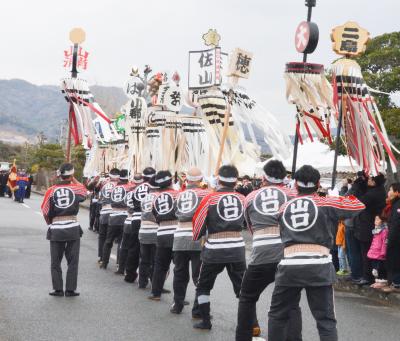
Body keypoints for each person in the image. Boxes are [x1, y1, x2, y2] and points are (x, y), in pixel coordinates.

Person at [268, 165, 365, 341]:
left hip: (289, 265)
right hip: (319, 265)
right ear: (319, 184)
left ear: (295, 185)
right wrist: (356, 185)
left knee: (277, 315)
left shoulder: (283, 207)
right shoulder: (327, 202)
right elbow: (358, 205)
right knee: (325, 321)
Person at [235, 160, 302, 341]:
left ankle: (243, 337)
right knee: (292, 303)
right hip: (288, 253)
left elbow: (250, 227)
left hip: (262, 252)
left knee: (247, 297)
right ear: (284, 177)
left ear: (264, 177)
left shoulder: (250, 197)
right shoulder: (292, 195)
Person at [192, 165, 246, 330]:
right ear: (236, 181)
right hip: (237, 247)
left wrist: (197, 236)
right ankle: (251, 324)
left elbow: (198, 223)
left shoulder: (210, 198)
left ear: (219, 179)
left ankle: (206, 321)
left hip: (214, 248)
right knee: (242, 289)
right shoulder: (243, 199)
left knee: (203, 287)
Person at [40, 163, 86, 297]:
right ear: (71, 176)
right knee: (73, 261)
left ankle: (58, 289)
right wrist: (74, 179)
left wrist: (51, 223)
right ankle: (71, 290)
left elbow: (45, 211)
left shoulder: (51, 190)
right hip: (72, 226)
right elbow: (84, 191)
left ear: (59, 175)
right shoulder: (76, 189)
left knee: (56, 261)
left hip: (56, 228)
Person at [170, 167, 211, 316]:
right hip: (198, 237)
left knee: (179, 274)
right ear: (201, 180)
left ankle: (177, 305)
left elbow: (175, 212)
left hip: (180, 236)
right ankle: (198, 309)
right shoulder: (206, 194)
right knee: (198, 276)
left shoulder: (179, 194)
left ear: (187, 180)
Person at [148, 170, 178, 301]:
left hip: (162, 232)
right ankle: (178, 298)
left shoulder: (155, 197)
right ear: (170, 181)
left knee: (160, 265)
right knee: (179, 267)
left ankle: (156, 293)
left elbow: (154, 215)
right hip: (177, 230)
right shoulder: (178, 194)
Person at [353, 172, 387, 285]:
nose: (368, 180)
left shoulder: (374, 193)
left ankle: (367, 277)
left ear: (374, 181)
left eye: (370, 178)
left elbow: (358, 201)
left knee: (366, 253)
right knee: (367, 252)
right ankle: (367, 275)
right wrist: (363, 179)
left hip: (367, 226)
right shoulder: (379, 190)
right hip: (369, 225)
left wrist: (357, 185)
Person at [101, 169, 132, 270]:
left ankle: (104, 262)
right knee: (122, 242)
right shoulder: (130, 188)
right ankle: (120, 264)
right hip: (124, 215)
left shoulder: (113, 187)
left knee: (108, 240)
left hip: (113, 216)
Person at [119, 173, 148, 282]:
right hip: (146, 220)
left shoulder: (131, 191)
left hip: (131, 219)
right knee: (146, 250)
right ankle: (145, 277)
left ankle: (128, 272)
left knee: (130, 248)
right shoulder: (151, 189)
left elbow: (127, 204)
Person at [138, 171, 159, 289]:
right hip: (155, 229)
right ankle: (155, 283)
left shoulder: (144, 198)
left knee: (144, 259)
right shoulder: (160, 197)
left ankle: (142, 282)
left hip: (143, 229)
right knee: (156, 260)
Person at [97, 168, 120, 265]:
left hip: (104, 212)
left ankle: (102, 258)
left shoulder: (104, 185)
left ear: (110, 176)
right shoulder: (119, 186)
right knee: (117, 238)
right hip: (115, 213)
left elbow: (99, 199)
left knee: (103, 236)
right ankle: (119, 262)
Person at [383, 183, 400, 292]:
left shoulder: (398, 205)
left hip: (397, 238)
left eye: (390, 190)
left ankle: (397, 283)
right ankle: (394, 282)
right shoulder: (394, 204)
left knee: (396, 259)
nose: (388, 192)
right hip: (395, 237)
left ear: (397, 192)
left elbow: (396, 223)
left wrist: (390, 238)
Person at [367, 215, 388, 288]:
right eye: (375, 220)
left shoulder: (384, 231)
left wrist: (383, 252)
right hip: (374, 253)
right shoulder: (376, 230)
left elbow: (384, 242)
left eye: (377, 220)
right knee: (375, 269)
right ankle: (377, 281)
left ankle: (382, 282)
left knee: (380, 269)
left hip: (380, 254)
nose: (375, 222)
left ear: (382, 221)